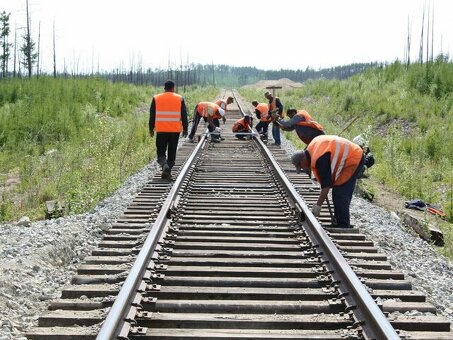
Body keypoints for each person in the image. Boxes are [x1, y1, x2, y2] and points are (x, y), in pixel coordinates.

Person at [291, 135, 365, 228]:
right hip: (349, 155)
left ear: (303, 159)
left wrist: (318, 206)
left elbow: (326, 186)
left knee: (340, 191)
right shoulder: (312, 151)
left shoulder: (320, 158)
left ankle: (343, 224)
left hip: (353, 157)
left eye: (301, 166)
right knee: (338, 190)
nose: (302, 168)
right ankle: (339, 220)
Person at [149, 80, 188, 179]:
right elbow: (184, 115)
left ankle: (164, 166)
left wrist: (151, 128)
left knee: (161, 152)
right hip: (175, 131)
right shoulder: (179, 98)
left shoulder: (156, 98)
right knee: (172, 153)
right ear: (173, 88)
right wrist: (185, 129)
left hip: (161, 130)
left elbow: (152, 115)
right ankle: (167, 168)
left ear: (164, 88)